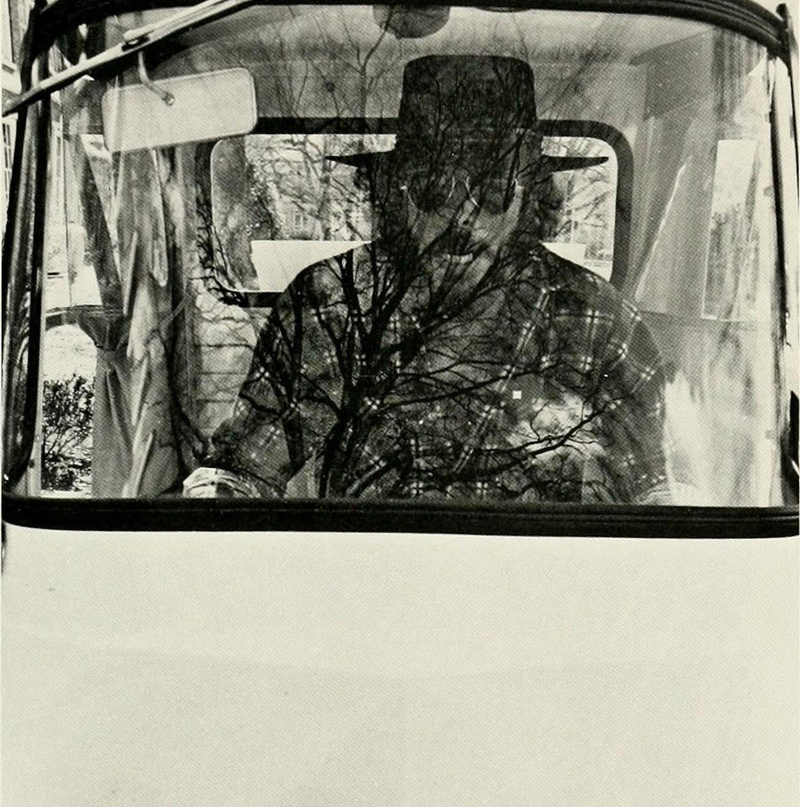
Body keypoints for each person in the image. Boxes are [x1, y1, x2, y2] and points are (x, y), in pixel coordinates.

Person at [184, 55, 671, 504]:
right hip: (365, 563)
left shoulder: (596, 320)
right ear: (394, 195)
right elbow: (242, 471)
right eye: (433, 187)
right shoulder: (332, 304)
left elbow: (658, 487)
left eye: (494, 190)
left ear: (530, 198)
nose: (462, 216)